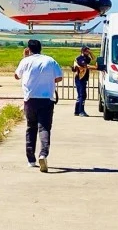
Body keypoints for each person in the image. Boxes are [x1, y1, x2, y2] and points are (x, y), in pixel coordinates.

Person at [14, 39, 63, 172]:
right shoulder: (50, 60)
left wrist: (25, 58)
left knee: (31, 128)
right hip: (47, 99)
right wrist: (47, 80)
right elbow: (59, 77)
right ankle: (43, 154)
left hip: (30, 99)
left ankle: (31, 159)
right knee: (44, 128)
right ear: (41, 48)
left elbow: (16, 76)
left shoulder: (25, 61)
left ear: (29, 49)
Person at [72, 46, 96, 117]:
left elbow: (93, 59)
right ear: (83, 51)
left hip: (83, 78)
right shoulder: (80, 58)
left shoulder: (86, 58)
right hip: (80, 78)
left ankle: (77, 111)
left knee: (80, 95)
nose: (88, 53)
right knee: (82, 95)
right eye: (87, 51)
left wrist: (91, 52)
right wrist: (96, 68)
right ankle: (81, 111)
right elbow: (86, 66)